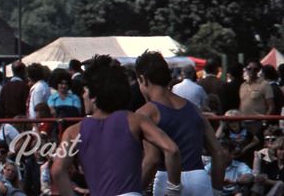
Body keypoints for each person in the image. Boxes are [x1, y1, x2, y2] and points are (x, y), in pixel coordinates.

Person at [51, 54, 182, 196]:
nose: (83, 96)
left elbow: (57, 171)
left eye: (85, 91)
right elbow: (172, 149)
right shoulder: (136, 120)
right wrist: (173, 190)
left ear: (94, 96)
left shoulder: (72, 132)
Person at [135, 50, 227, 195]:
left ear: (143, 79)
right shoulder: (194, 109)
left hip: (167, 180)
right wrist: (217, 190)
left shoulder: (145, 113)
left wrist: (132, 191)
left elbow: (151, 160)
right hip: (199, 180)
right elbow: (219, 152)